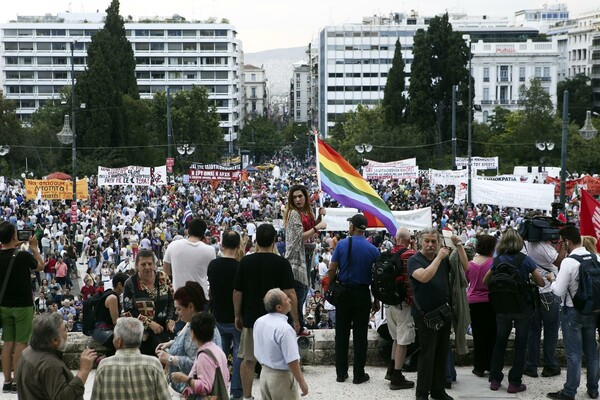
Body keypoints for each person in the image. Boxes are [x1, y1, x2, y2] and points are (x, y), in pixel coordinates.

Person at [233, 223, 299, 400]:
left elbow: (237, 292)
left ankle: (247, 396)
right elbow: (290, 293)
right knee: (277, 362)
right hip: (277, 321)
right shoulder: (281, 263)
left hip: (251, 318)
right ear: (274, 241)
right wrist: (295, 318)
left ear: (256, 241)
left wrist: (237, 314)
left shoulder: (246, 262)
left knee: (248, 360)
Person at [408, 227, 468, 400]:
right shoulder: (415, 260)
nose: (430, 244)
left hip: (443, 312)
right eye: (427, 241)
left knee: (442, 353)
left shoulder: (442, 259)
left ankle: (438, 390)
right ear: (420, 241)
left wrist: (459, 246)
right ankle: (422, 394)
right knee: (427, 355)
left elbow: (466, 267)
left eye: (433, 241)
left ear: (439, 242)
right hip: (425, 315)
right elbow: (425, 276)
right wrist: (440, 257)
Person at [483, 228, 544, 394]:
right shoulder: (525, 260)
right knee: (520, 344)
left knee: (500, 342)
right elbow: (540, 283)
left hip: (502, 308)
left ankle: (495, 379)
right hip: (521, 308)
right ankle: (514, 382)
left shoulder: (498, 260)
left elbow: (485, 281)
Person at [547, 226, 599, 400]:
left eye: (562, 242)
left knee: (574, 354)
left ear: (567, 241)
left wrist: (552, 280)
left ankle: (570, 391)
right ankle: (593, 388)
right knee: (592, 351)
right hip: (592, 311)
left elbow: (558, 292)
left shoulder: (568, 262)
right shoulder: (596, 257)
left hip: (573, 312)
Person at [327, 214, 380, 384]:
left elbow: (332, 268)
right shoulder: (373, 250)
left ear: (352, 228)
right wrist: (376, 300)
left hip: (344, 293)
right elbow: (377, 278)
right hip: (363, 294)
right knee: (360, 335)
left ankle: (341, 373)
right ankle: (359, 374)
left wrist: (331, 285)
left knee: (341, 334)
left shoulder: (342, 244)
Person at [155, 281, 222, 395]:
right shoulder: (193, 323)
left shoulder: (198, 330)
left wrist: (170, 358)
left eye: (179, 309)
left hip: (194, 392)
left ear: (191, 306)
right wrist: (171, 343)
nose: (177, 313)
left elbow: (198, 363)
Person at [0, 221, 44, 393]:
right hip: (23, 305)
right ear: (14, 236)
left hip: (3, 305)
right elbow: (40, 266)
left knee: (8, 343)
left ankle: (7, 381)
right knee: (20, 343)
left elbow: (7, 248)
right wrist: (34, 247)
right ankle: (18, 381)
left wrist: (13, 241)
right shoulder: (22, 255)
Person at [16, 312, 97, 399]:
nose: (66, 333)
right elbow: (63, 397)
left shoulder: (27, 352)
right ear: (55, 340)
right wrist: (83, 371)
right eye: (64, 330)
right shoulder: (51, 365)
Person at [283, 184, 327, 336]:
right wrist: (317, 227)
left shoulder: (307, 212)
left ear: (305, 197)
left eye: (300, 196)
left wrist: (320, 217)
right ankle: (296, 326)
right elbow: (298, 237)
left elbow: (310, 229)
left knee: (301, 292)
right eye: (294, 197)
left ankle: (297, 325)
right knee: (298, 293)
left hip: (308, 256)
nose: (297, 199)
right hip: (297, 259)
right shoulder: (294, 213)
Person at [91, 317, 171, 400]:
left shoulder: (104, 365)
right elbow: (165, 397)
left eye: (114, 337)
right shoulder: (153, 364)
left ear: (119, 341)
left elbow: (95, 397)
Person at [522, 228, 566, 379]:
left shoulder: (525, 243)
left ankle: (530, 366)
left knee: (533, 331)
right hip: (548, 292)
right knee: (551, 330)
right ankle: (550, 366)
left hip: (533, 291)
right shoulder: (542, 246)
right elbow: (559, 261)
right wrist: (564, 245)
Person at [253, 288, 309, 399]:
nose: (289, 300)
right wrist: (302, 382)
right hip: (281, 377)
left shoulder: (259, 322)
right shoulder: (285, 329)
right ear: (279, 307)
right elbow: (292, 360)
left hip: (264, 373)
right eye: (286, 299)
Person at [207, 229, 243, 400]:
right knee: (238, 355)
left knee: (218, 355)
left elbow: (211, 292)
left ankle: (218, 390)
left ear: (221, 245)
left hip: (218, 315)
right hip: (235, 318)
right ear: (238, 246)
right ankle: (236, 391)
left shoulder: (213, 265)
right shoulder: (239, 266)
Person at [123, 249, 175, 356]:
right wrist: (148, 323)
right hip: (141, 335)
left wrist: (171, 319)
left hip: (164, 332)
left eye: (150, 264)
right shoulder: (130, 284)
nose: (147, 267)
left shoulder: (163, 277)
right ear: (136, 266)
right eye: (143, 264)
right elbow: (129, 311)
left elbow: (172, 301)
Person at [384, 227, 416, 390]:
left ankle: (391, 369)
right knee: (403, 340)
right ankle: (397, 376)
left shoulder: (388, 253)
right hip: (404, 304)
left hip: (389, 302)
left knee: (396, 338)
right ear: (409, 239)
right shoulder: (409, 255)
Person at [171, 312, 230, 399]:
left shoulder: (204, 356)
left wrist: (185, 379)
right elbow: (226, 376)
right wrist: (189, 390)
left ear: (192, 333)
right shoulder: (217, 350)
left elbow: (205, 388)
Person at [463, 234, 497, 377]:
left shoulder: (470, 263)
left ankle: (478, 367)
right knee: (492, 335)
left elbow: (466, 280)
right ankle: (490, 364)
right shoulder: (493, 263)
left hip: (473, 301)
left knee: (478, 335)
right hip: (489, 301)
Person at [163, 217, 216, 296]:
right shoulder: (210, 250)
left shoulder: (173, 245)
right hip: (200, 296)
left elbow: (165, 272)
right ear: (203, 233)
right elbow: (212, 276)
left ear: (188, 231)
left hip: (178, 296)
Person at [91, 272, 129, 356]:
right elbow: (115, 321)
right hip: (102, 331)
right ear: (119, 284)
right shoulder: (113, 298)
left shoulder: (109, 293)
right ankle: (103, 358)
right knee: (124, 343)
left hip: (102, 329)